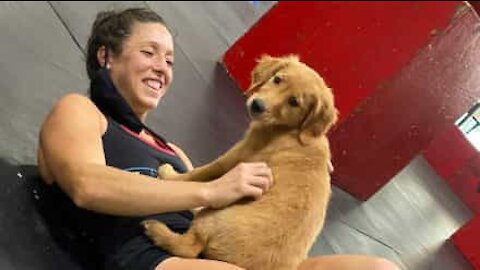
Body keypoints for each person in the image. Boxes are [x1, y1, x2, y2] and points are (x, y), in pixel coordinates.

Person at [37, 7, 400, 270]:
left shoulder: (172, 152)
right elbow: (87, 185)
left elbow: (216, 217)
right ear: (106, 57)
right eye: (149, 53)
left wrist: (295, 177)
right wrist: (210, 190)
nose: (162, 67)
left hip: (215, 249)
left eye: (170, 61)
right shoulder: (82, 111)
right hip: (150, 253)